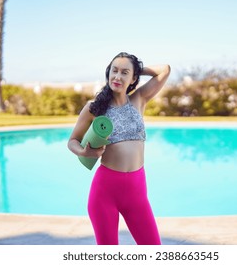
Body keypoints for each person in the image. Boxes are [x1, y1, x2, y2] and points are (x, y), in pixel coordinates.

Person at [67, 52, 170, 245]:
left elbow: (165, 70)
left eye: (124, 72)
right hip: (105, 191)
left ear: (133, 79)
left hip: (137, 191)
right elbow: (72, 140)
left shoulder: (139, 99)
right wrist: (83, 152)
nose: (117, 77)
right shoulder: (94, 108)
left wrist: (137, 68)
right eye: (114, 70)